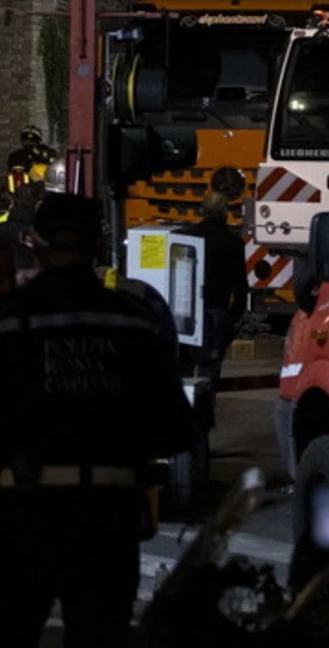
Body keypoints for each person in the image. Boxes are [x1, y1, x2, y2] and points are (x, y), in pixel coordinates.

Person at [0, 193, 194, 648]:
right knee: (99, 634)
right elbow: (174, 428)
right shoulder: (133, 320)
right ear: (99, 245)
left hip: (21, 516)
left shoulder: (8, 320)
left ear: (36, 244)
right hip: (106, 517)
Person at [192, 190, 249, 378]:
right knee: (210, 370)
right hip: (218, 313)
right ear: (225, 212)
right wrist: (232, 317)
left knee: (184, 368)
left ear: (202, 210)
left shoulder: (186, 237)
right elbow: (241, 286)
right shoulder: (233, 242)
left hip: (189, 312)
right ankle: (206, 403)